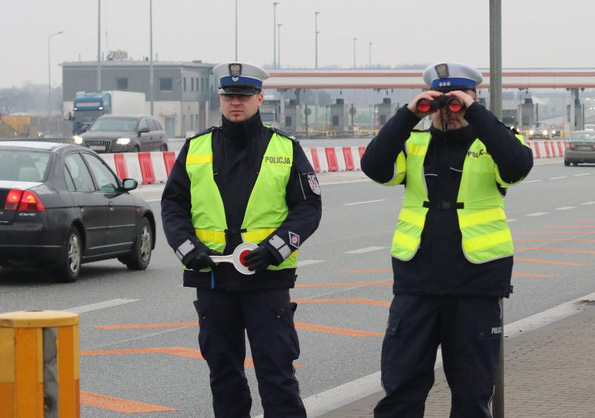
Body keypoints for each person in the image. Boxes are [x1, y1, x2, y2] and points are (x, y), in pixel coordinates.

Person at [361, 61, 533, 418]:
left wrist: (475, 112)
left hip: (476, 283)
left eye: (456, 100)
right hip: (417, 283)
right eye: (440, 102)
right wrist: (410, 114)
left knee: (472, 394)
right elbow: (375, 166)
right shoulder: (414, 144)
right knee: (401, 389)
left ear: (475, 99)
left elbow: (517, 166)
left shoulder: (494, 142)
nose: (448, 110)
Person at [161, 62, 322, 418]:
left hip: (267, 278)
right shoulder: (196, 148)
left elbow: (308, 208)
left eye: (244, 96)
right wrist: (188, 249)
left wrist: (276, 249)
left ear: (259, 98)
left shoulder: (285, 148)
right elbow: (173, 205)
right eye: (230, 95)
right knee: (223, 376)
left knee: (277, 374)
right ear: (220, 99)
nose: (236, 102)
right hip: (213, 278)